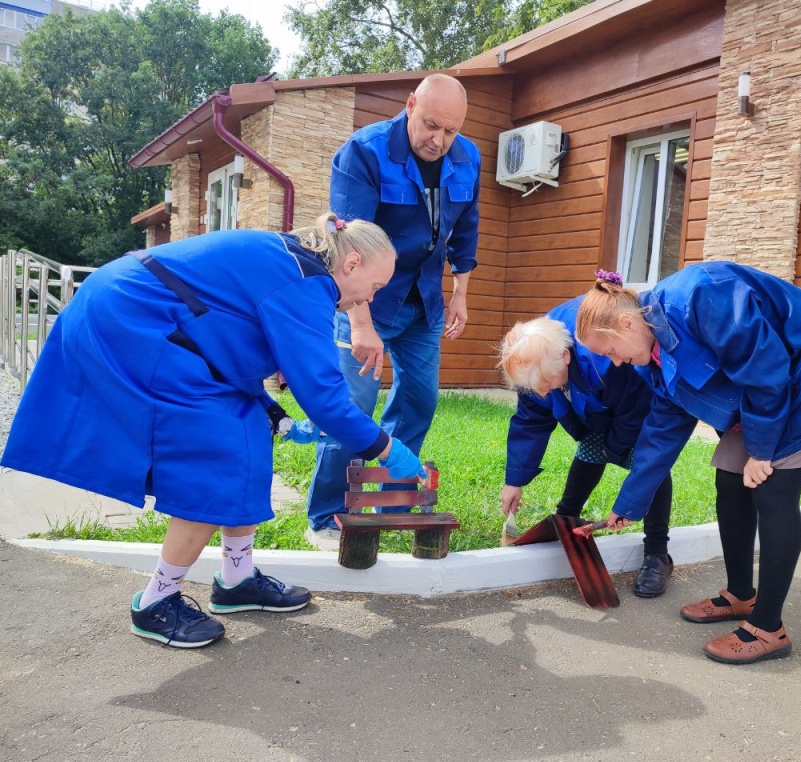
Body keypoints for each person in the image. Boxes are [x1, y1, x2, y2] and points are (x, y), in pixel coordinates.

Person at [0, 214, 425, 649]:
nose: (365, 301)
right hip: (132, 319)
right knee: (218, 459)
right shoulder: (307, 281)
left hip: (146, 316)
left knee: (249, 434)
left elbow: (222, 346)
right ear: (351, 264)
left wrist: (270, 412)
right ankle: (155, 603)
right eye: (374, 288)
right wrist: (386, 448)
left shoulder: (294, 266)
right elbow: (323, 396)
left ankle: (236, 580)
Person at [575, 264, 801, 664]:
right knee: (730, 480)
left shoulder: (702, 296)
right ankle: (741, 595)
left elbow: (765, 367)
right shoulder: (651, 353)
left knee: (772, 491)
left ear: (624, 324)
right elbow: (661, 430)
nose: (616, 363)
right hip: (768, 395)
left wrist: (762, 449)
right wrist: (629, 503)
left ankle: (768, 629)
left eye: (610, 352)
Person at [306, 73, 481, 544]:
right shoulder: (363, 152)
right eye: (431, 126)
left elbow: (465, 231)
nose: (439, 140)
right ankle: (325, 516)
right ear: (409, 105)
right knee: (352, 406)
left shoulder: (468, 159)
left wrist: (460, 292)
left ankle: (386, 500)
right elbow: (346, 248)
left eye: (451, 131)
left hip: (424, 302)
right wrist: (360, 324)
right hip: (369, 300)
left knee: (418, 401)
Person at [498, 297, 675, 597]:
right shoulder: (533, 359)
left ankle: (657, 553)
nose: (541, 391)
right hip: (595, 403)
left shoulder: (608, 359)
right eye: (533, 387)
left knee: (647, 466)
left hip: (636, 406)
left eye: (544, 383)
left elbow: (635, 409)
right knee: (590, 448)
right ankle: (565, 520)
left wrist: (616, 447)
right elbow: (531, 420)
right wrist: (514, 480)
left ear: (565, 357)